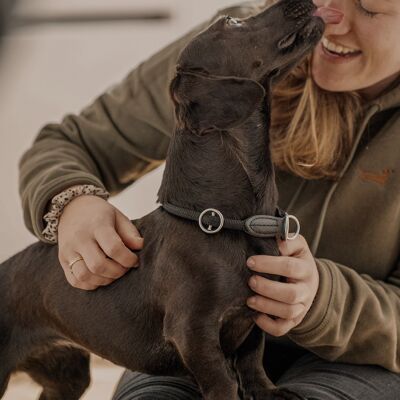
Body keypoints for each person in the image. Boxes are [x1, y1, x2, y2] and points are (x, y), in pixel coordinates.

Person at [18, 0, 400, 399]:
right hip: (195, 336)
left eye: (369, 8)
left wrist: (323, 300)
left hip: (356, 361)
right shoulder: (237, 45)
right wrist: (72, 203)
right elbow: (71, 143)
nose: (329, 16)